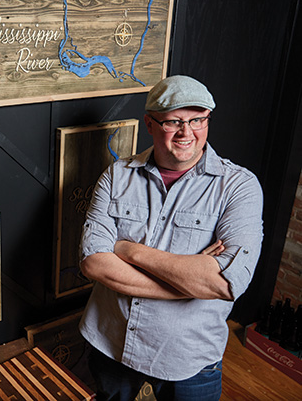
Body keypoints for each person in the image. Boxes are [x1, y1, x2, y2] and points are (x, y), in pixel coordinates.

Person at [78, 75, 263, 401]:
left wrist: (127, 250)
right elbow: (94, 263)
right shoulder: (117, 176)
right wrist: (186, 285)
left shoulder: (239, 187)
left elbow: (225, 284)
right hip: (112, 343)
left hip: (188, 358)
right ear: (149, 124)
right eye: (173, 122)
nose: (186, 133)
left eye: (197, 120)